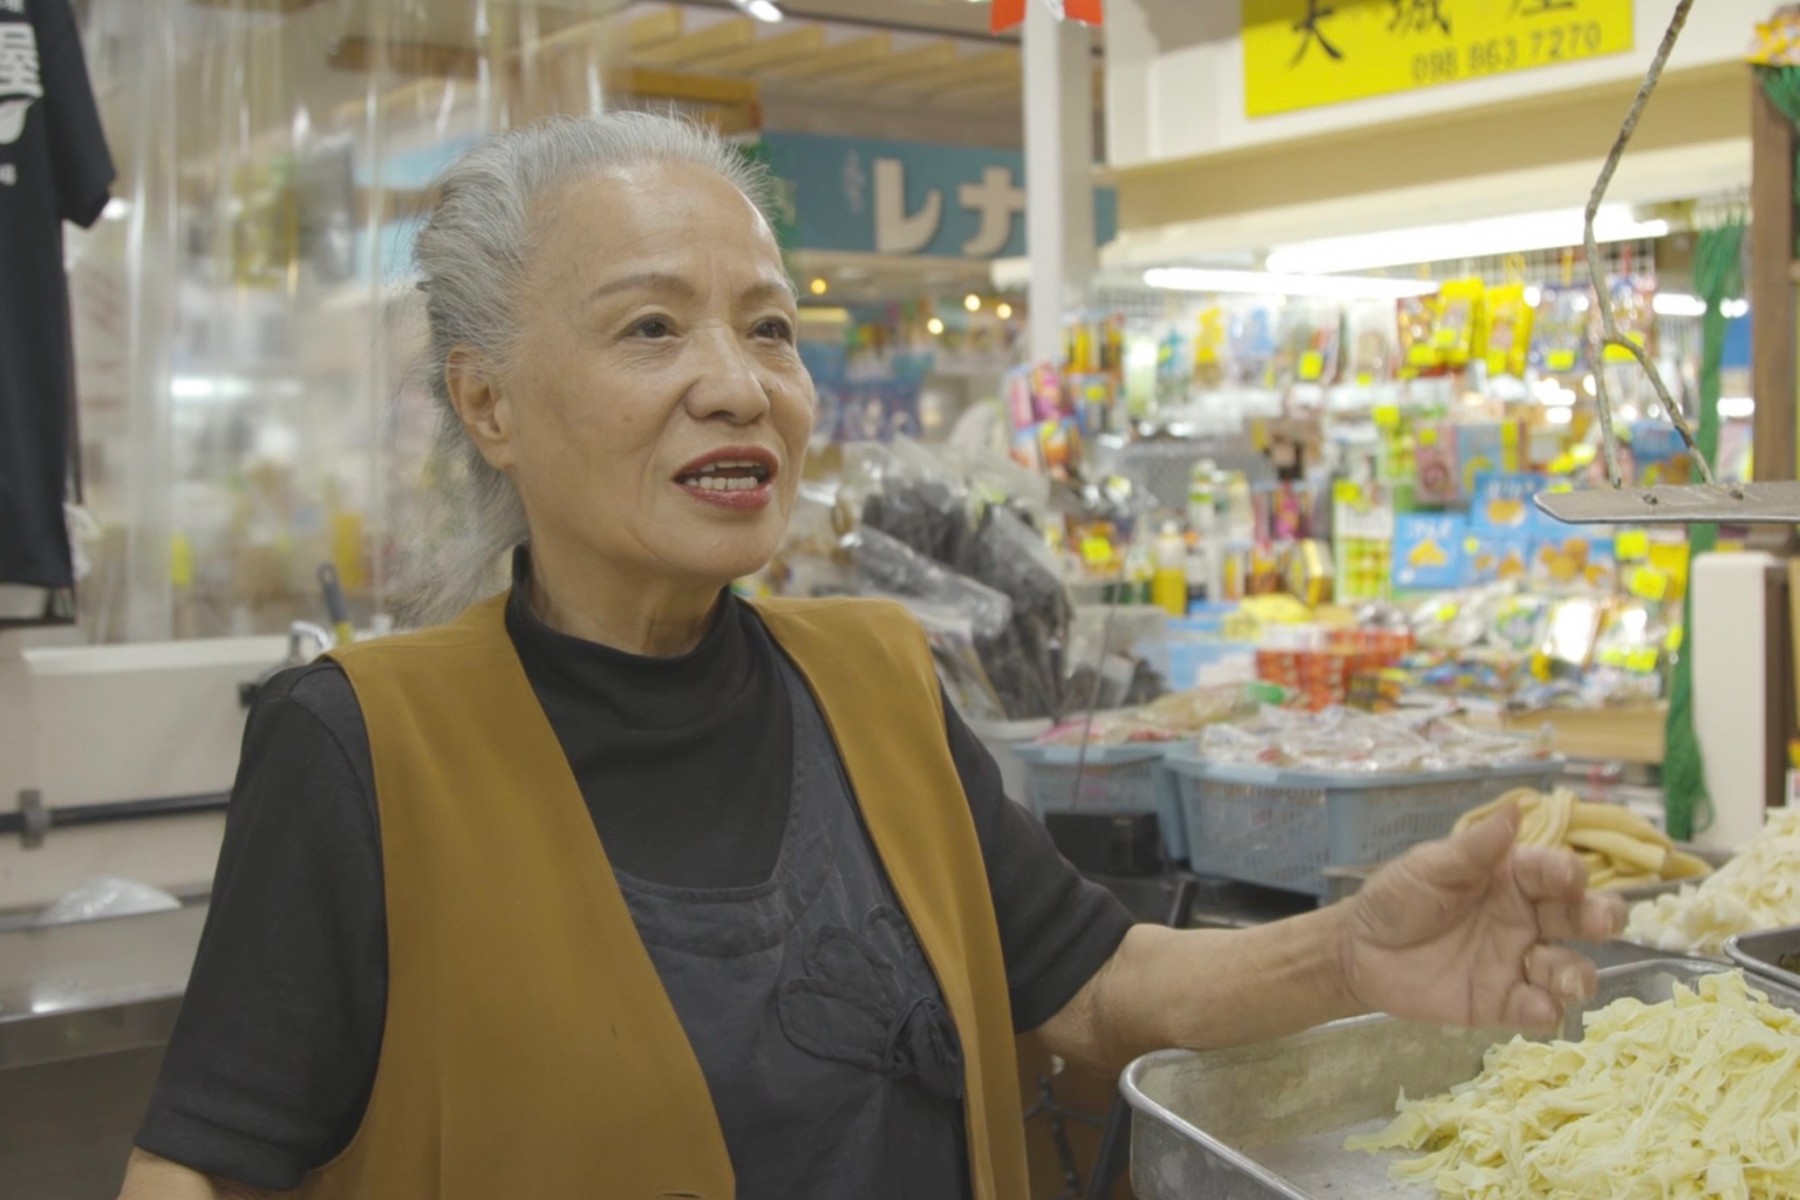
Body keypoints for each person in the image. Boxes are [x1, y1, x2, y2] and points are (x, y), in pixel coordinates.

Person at [119, 112, 1623, 1200]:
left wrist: (1348, 952)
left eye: (768, 329)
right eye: (652, 329)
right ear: (489, 404)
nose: (737, 384)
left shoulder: (877, 678)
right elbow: (208, 1164)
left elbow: (1090, 988)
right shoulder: (367, 746)